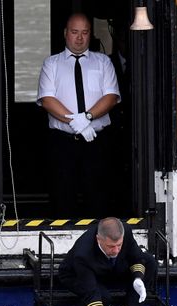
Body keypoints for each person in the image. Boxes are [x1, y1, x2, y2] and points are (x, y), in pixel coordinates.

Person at [37, 13, 120, 218]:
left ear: (90, 35)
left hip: (97, 141)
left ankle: (99, 243)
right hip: (63, 142)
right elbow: (47, 99)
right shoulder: (52, 64)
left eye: (84, 32)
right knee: (63, 196)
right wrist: (78, 123)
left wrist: (88, 117)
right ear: (66, 33)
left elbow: (111, 96)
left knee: (99, 196)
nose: (79, 38)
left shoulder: (103, 62)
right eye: (74, 32)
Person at [58, 217, 158, 306]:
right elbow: (91, 291)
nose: (116, 250)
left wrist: (138, 278)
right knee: (103, 297)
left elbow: (136, 257)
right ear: (99, 239)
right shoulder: (83, 254)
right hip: (78, 274)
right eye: (111, 246)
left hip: (110, 268)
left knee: (149, 262)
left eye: (119, 245)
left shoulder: (126, 230)